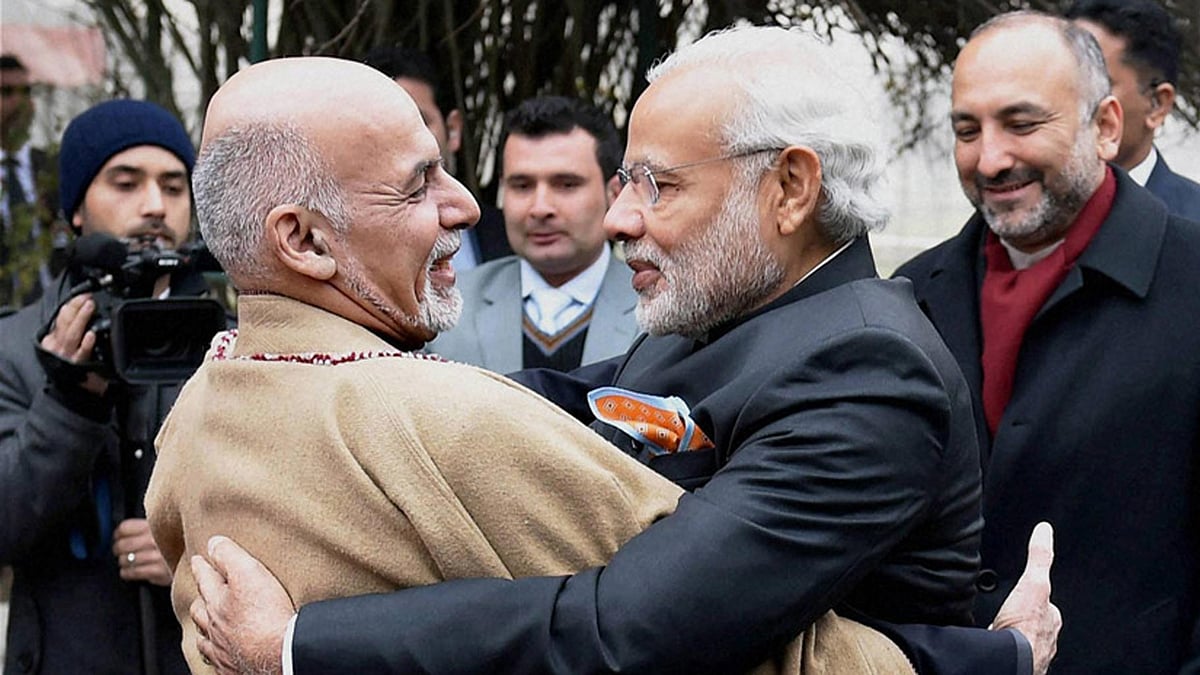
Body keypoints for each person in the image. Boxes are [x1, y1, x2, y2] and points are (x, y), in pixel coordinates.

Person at [190, 26, 1063, 675]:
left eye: (657, 185)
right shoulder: (717, 318)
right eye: (623, 182)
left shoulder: (870, 369)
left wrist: (298, 645)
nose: (618, 219)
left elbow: (636, 629)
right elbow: (546, 404)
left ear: (790, 188)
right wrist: (299, 366)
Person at [894, 11, 1200, 673]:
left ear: (1106, 126)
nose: (991, 158)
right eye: (967, 131)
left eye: (1022, 123)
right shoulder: (908, 297)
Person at [0, 99, 202, 673]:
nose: (155, 205)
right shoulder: (14, 348)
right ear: (76, 210)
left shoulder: (234, 346)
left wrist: (194, 555)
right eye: (125, 183)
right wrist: (69, 400)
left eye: (173, 186)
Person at [428, 96, 638, 372]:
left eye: (566, 184)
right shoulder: (444, 305)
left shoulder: (656, 313)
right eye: (522, 186)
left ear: (614, 193)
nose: (540, 209)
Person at [362, 46, 513, 271]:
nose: (398, 140)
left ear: (453, 129)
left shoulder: (512, 241)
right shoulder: (329, 242)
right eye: (380, 126)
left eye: (418, 122)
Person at [1064, 0, 1200, 221]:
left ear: (1157, 104)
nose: (1066, 100)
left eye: (1094, 85)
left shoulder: (1191, 224)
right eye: (1061, 81)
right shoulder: (1018, 214)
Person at [0, 54, 58, 310]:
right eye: (6, 92)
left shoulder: (52, 168)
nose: (19, 102)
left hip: (55, 307)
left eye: (26, 92)